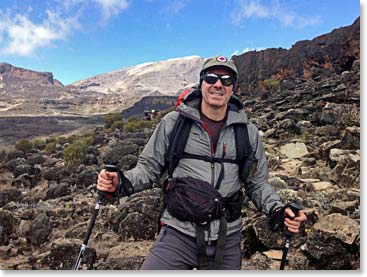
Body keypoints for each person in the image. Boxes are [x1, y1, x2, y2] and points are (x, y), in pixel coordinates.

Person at [97, 55, 307, 270]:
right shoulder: (174, 123)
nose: (218, 84)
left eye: (226, 80)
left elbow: (257, 184)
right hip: (178, 233)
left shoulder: (248, 133)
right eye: (211, 78)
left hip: (226, 238)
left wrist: (278, 210)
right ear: (201, 83)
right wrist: (120, 182)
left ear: (233, 88)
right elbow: (148, 168)